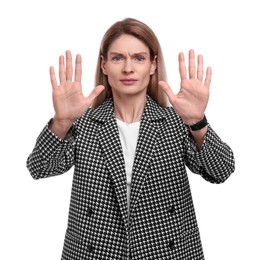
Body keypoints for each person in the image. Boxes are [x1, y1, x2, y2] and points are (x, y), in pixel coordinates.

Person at [27, 17, 235, 260]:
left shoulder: (176, 121)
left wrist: (197, 122)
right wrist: (61, 122)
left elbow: (222, 170)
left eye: (139, 58)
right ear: (104, 65)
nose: (128, 68)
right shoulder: (83, 123)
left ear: (153, 65)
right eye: (117, 58)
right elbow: (39, 167)